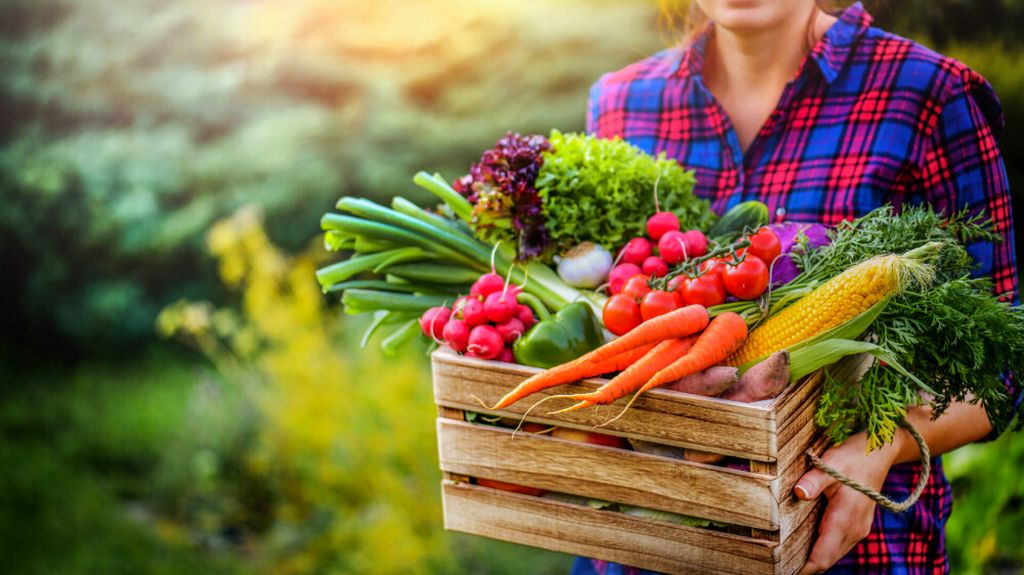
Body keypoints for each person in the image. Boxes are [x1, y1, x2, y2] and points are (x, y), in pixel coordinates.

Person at [574, 1, 1018, 573]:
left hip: (844, 547)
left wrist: (876, 450)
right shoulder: (621, 102)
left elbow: (1005, 368)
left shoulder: (929, 96)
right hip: (646, 546)